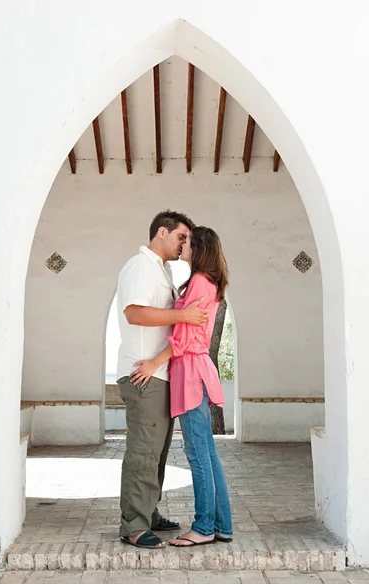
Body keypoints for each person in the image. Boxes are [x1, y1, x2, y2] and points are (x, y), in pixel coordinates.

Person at [130, 226, 233, 547]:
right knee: (207, 453)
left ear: (199, 249)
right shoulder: (203, 283)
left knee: (198, 455)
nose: (182, 246)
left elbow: (184, 339)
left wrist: (152, 363)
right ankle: (221, 525)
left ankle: (203, 528)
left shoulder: (200, 283)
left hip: (190, 375)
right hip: (192, 373)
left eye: (187, 243)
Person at [116, 210, 210, 550]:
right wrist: (183, 314)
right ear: (161, 232)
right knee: (143, 451)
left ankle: (149, 513)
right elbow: (135, 312)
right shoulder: (140, 266)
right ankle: (134, 526)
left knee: (156, 451)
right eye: (181, 237)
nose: (185, 243)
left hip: (160, 374)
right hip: (144, 374)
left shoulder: (164, 270)